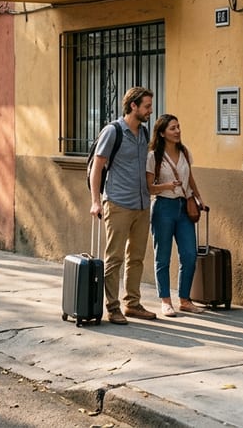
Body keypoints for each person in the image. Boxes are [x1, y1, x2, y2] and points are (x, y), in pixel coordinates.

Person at [88, 86, 156, 324]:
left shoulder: (144, 133)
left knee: (136, 257)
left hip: (141, 204)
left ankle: (132, 303)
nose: (150, 110)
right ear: (133, 106)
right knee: (114, 258)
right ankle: (112, 307)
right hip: (117, 203)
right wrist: (96, 201)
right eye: (146, 106)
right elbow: (97, 167)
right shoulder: (113, 131)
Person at [146, 114, 206, 317]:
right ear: (162, 133)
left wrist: (198, 198)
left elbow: (190, 178)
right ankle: (165, 300)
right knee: (162, 257)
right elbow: (149, 188)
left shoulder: (185, 152)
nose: (178, 131)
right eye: (173, 128)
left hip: (183, 207)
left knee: (189, 255)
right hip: (163, 207)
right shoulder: (153, 156)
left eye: (178, 127)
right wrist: (167, 186)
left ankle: (185, 299)